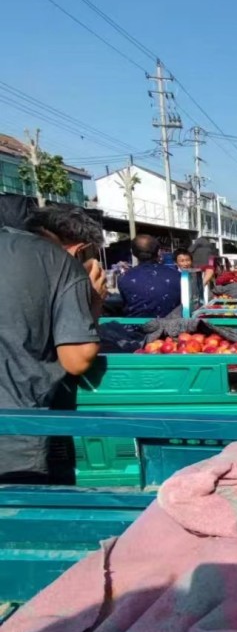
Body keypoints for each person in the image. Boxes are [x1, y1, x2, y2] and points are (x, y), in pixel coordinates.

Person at [0, 199, 107, 483]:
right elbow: (76, 359)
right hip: (11, 427)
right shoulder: (57, 261)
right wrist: (93, 302)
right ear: (79, 249)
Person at [118, 234, 182, 318]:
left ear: (133, 253)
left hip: (136, 328)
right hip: (170, 328)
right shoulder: (177, 276)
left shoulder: (124, 278)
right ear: (158, 251)